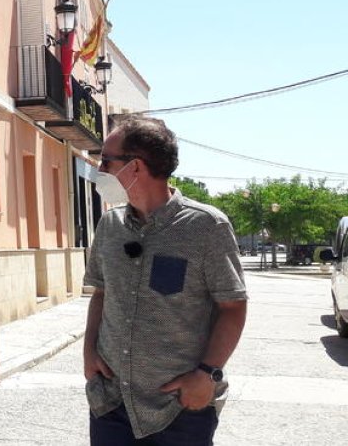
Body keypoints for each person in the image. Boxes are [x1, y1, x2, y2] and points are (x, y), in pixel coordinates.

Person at [84, 116, 248, 445]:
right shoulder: (109, 225)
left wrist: (207, 374)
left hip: (180, 410)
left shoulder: (206, 226)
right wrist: (89, 351)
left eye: (105, 160)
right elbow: (100, 293)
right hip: (112, 404)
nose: (98, 169)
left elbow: (233, 306)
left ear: (135, 167)